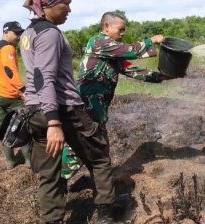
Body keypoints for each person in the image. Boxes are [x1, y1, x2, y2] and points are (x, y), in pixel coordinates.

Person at [20, 0, 117, 223]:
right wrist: (54, 122)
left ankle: (51, 220)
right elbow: (44, 76)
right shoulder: (50, 34)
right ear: (50, 5)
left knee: (49, 174)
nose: (70, 10)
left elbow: (34, 76)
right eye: (66, 4)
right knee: (99, 157)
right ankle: (107, 213)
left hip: (35, 111)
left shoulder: (27, 34)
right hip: (62, 110)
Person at [60, 12, 168, 179]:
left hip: (97, 110)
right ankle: (57, 183)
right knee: (80, 148)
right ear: (106, 27)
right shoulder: (99, 42)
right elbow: (131, 51)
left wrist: (161, 77)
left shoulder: (111, 52)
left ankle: (101, 186)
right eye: (120, 29)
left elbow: (131, 70)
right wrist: (151, 40)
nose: (123, 33)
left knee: (96, 148)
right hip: (86, 108)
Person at [0, 21, 30, 169]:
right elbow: (10, 71)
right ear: (6, 32)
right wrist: (23, 91)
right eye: (16, 33)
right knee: (23, 127)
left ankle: (10, 161)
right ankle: (28, 161)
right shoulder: (8, 48)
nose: (19, 36)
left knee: (4, 127)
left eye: (20, 33)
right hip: (10, 96)